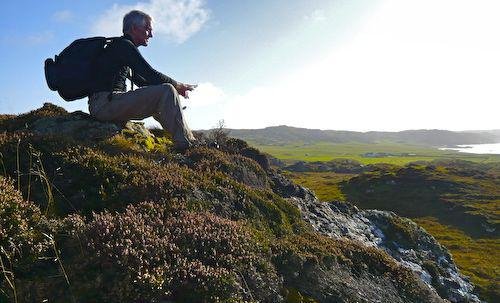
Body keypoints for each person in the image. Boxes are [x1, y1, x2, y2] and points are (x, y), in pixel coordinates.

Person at [88, 10, 196, 150]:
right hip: (104, 105)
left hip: (105, 103)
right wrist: (177, 85)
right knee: (167, 90)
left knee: (165, 92)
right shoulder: (124, 46)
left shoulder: (119, 48)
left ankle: (187, 140)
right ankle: (186, 145)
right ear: (134, 28)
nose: (151, 34)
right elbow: (150, 74)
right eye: (148, 29)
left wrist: (173, 102)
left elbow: (144, 80)